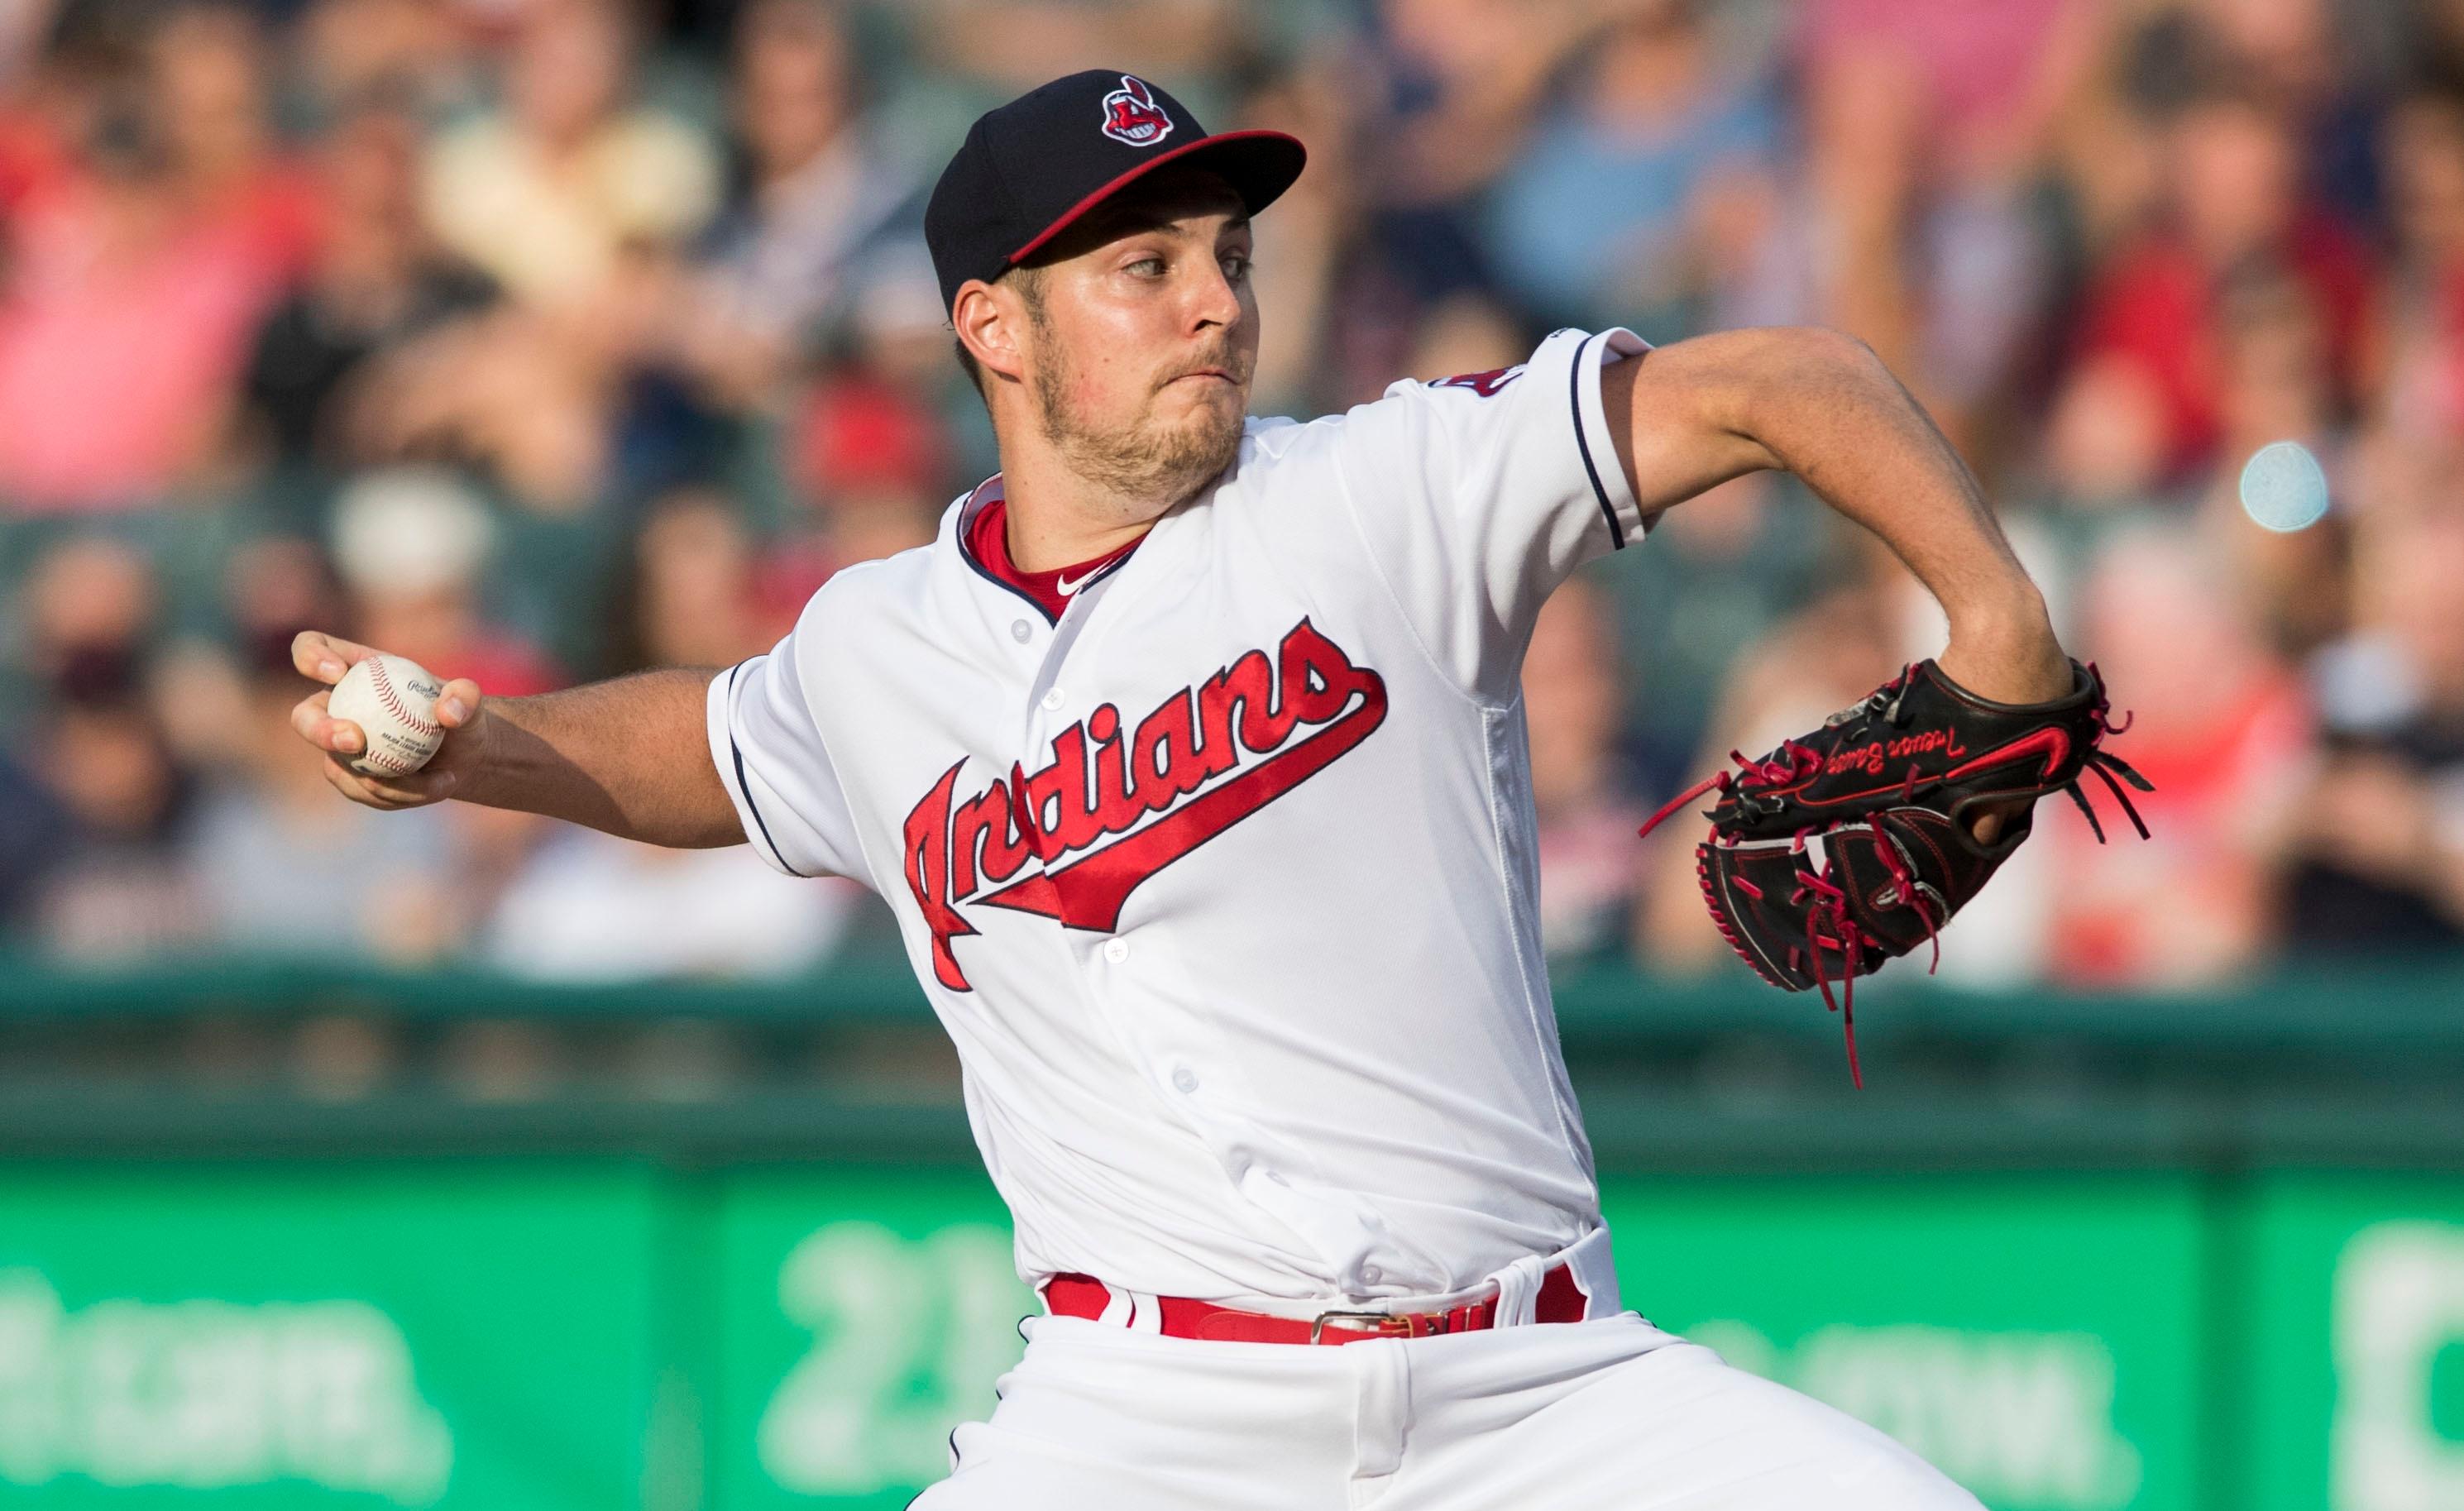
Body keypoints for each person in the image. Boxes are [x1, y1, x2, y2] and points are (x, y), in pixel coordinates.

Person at [290, 69, 2075, 1509]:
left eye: (1225, 255)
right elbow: (712, 747)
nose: (1211, 302)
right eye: (1142, 268)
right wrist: (482, 749)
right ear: (994, 324)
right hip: (1142, 1415)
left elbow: (1783, 378)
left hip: (1540, 1394)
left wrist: (1997, 623)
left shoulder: (1387, 492)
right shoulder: (873, 646)